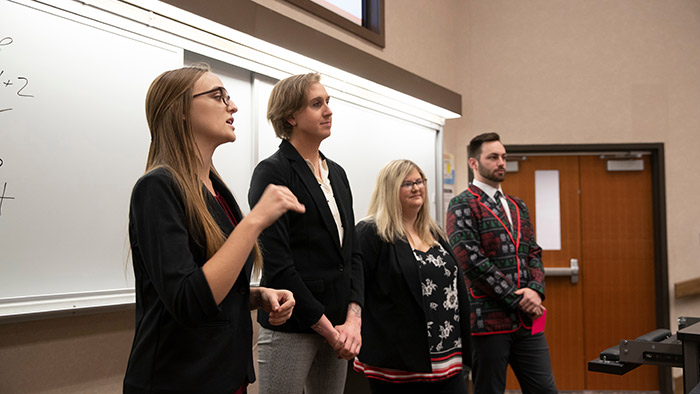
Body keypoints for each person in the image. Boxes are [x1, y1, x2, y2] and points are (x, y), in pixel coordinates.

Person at [123, 64, 305, 394]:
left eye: (229, 97)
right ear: (179, 110)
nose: (232, 106)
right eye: (218, 96)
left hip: (227, 376)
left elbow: (211, 283)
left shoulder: (217, 191)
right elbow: (188, 300)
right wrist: (254, 221)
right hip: (179, 380)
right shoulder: (157, 188)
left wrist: (255, 296)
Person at [248, 73, 363, 394]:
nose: (328, 110)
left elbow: (352, 254)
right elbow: (278, 265)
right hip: (295, 325)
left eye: (328, 102)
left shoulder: (337, 173)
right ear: (291, 116)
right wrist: (329, 330)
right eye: (316, 104)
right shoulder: (273, 171)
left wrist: (353, 321)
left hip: (339, 325)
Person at [445, 132, 557, 394]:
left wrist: (535, 290)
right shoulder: (462, 204)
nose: (501, 162)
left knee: (545, 390)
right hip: (487, 322)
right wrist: (517, 298)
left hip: (527, 320)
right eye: (493, 157)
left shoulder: (518, 206)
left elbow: (533, 252)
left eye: (503, 157)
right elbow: (470, 261)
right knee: (490, 391)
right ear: (474, 163)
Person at [353, 160, 471, 394]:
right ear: (390, 190)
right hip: (398, 363)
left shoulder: (434, 231)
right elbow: (355, 288)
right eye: (407, 184)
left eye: (420, 181)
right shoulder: (371, 233)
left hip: (448, 358)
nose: (417, 188)